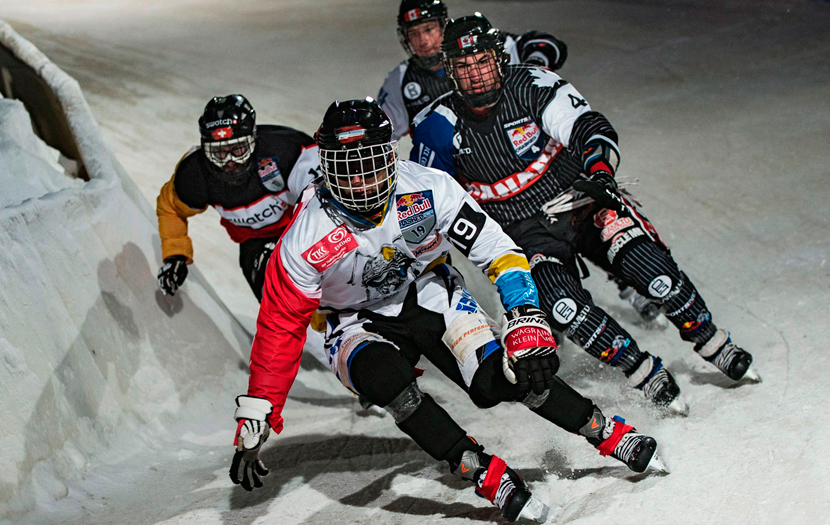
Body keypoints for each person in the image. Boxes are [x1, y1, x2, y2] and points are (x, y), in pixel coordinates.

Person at [228, 98, 666, 523]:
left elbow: (497, 250)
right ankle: (478, 469)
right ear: (325, 169)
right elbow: (280, 326)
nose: (362, 183)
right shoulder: (303, 238)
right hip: (354, 321)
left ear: (391, 155)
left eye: (371, 164)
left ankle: (604, 430)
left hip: (429, 292)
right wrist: (262, 405)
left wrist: (525, 315)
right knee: (384, 379)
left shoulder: (429, 187)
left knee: (506, 377)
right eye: (349, 170)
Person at [409, 15, 760, 415]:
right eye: (464, 67)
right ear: (450, 72)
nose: (476, 75)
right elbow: (429, 201)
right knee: (564, 306)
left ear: (499, 59)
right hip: (523, 238)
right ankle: (642, 371)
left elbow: (587, 127)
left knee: (653, 271)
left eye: (483, 61)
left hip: (580, 200)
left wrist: (600, 173)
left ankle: (713, 341)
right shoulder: (435, 126)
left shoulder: (534, 85)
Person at [156, 94, 319, 302]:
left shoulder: (288, 150)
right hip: (254, 242)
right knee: (276, 299)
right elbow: (170, 208)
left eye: (238, 150)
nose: (230, 162)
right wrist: (175, 254)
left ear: (253, 139)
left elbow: (324, 200)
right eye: (219, 153)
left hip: (302, 231)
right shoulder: (193, 174)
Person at [378, 0, 567, 142]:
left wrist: (534, 68)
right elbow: (381, 137)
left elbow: (545, 44)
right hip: (460, 176)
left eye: (429, 29)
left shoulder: (482, 45)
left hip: (524, 144)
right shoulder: (400, 81)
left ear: (443, 26)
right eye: (414, 33)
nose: (423, 41)